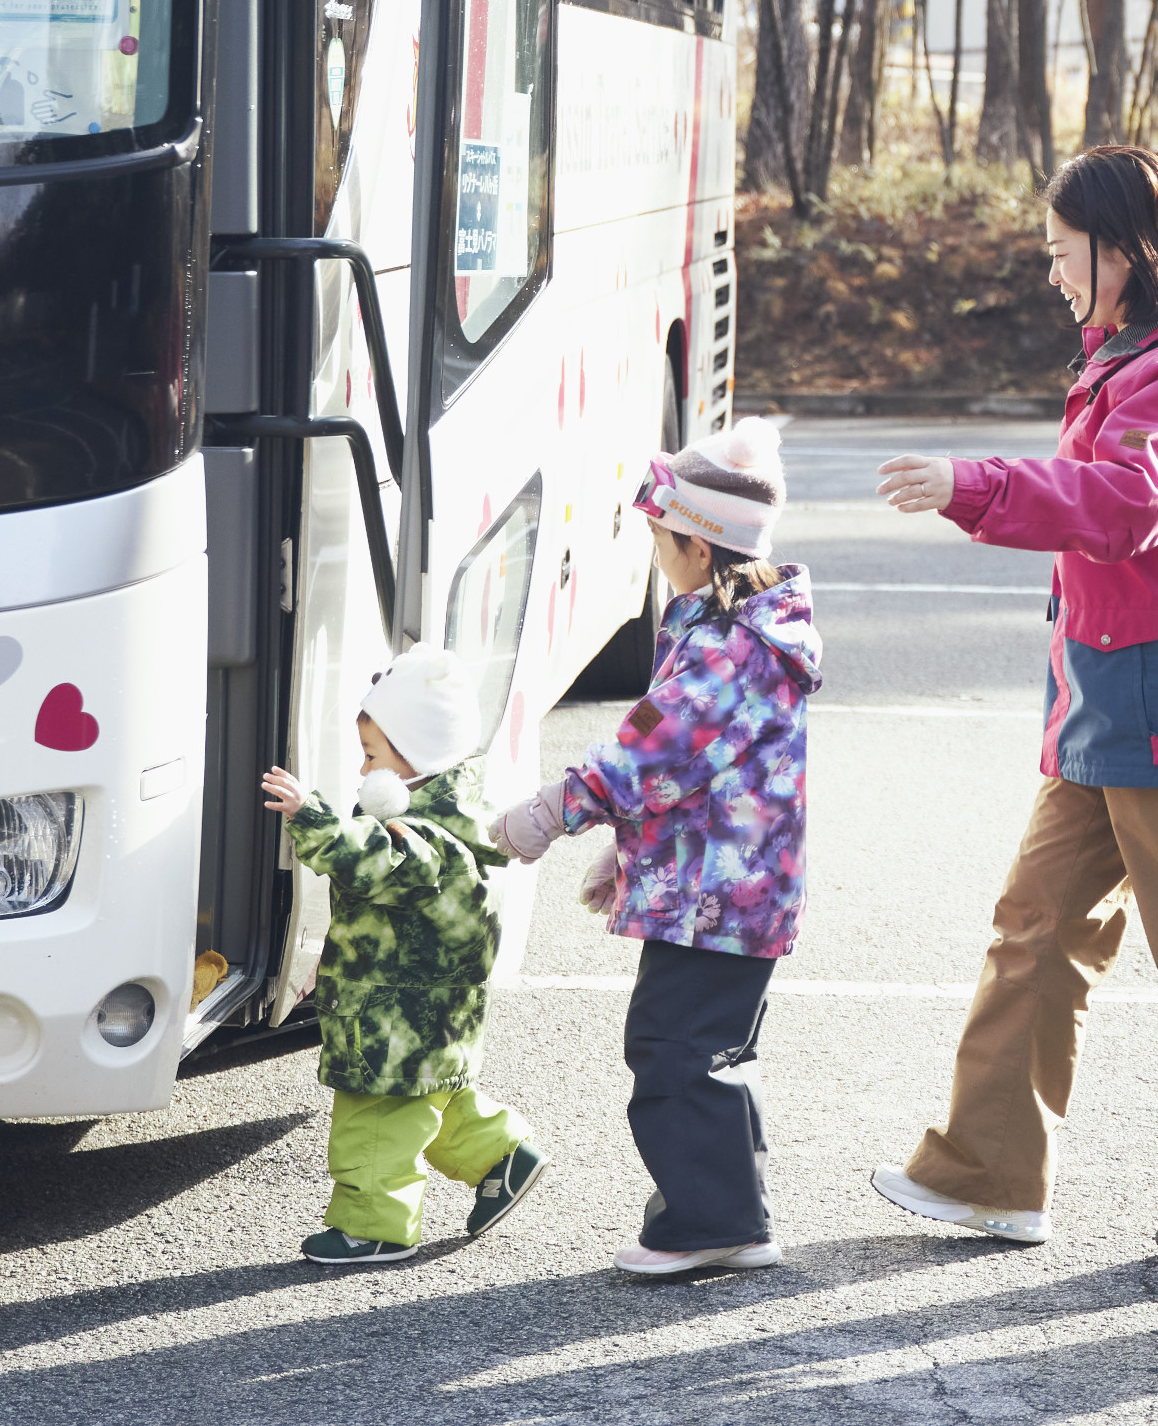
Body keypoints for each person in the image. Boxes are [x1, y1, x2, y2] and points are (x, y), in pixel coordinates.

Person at [867, 144, 1158, 1265]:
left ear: (1119, 250)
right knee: (1036, 929)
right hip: (1115, 694)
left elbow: (1126, 503)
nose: (1049, 272)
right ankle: (987, 1170)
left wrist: (972, 484)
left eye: (1058, 251)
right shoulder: (1135, 353)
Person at [496, 421, 818, 1278]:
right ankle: (725, 1212)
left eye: (659, 537)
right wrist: (632, 849)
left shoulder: (726, 647)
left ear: (697, 541)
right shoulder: (726, 625)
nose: (654, 553)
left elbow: (647, 750)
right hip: (728, 887)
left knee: (674, 1050)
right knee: (707, 1049)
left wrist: (551, 813)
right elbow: (693, 768)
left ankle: (712, 1222)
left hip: (721, 899)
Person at [260, 650, 543, 1266]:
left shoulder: (426, 834)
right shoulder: (453, 812)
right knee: (433, 1097)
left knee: (377, 1122)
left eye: (372, 755)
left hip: (393, 1017)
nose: (362, 769)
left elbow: (380, 865)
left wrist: (315, 820)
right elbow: (380, 915)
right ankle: (502, 1155)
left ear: (416, 757)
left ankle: (374, 1226)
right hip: (421, 1011)